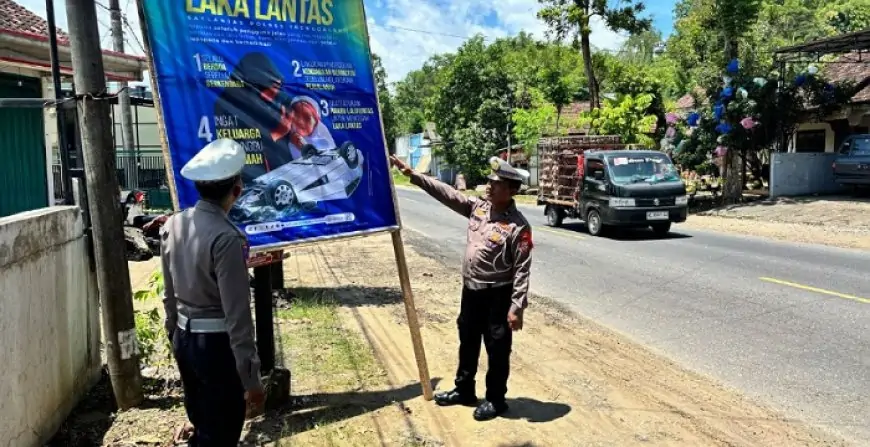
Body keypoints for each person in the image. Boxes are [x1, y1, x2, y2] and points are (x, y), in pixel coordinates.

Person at [391, 155, 533, 421]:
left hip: (497, 294)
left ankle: (496, 399)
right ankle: (464, 389)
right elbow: (448, 194)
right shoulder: (479, 208)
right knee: (467, 340)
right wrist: (414, 176)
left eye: (496, 184)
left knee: (497, 347)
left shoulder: (518, 226)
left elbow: (522, 269)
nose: (489, 186)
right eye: (489, 182)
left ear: (512, 190)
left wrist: (517, 307)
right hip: (471, 291)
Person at [161, 138, 265, 445]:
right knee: (221, 433)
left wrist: (175, 335)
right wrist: (251, 377)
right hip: (217, 349)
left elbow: (168, 293)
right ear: (237, 190)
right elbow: (238, 317)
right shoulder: (227, 238)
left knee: (203, 423)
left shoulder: (173, 225)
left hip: (185, 339)